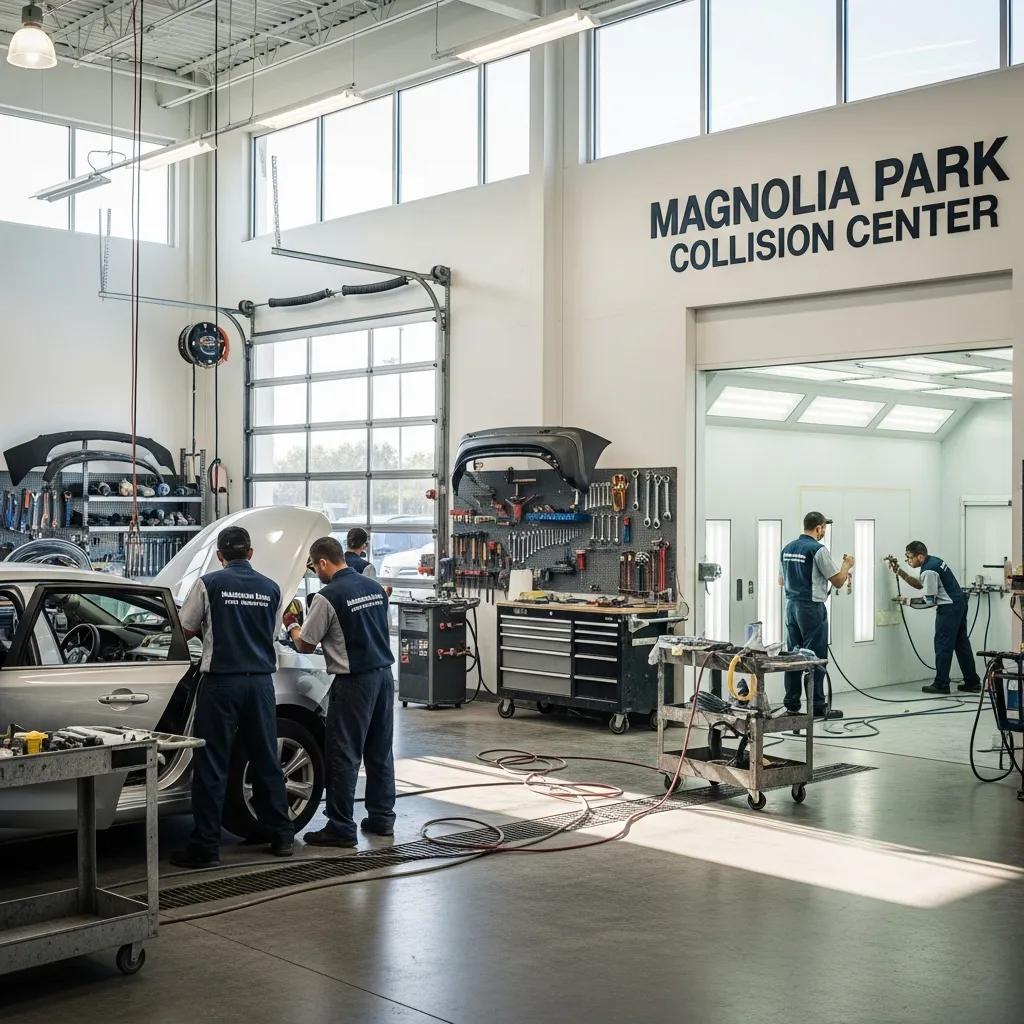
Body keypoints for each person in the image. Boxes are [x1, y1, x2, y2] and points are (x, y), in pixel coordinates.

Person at [171, 526, 294, 868]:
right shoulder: (271, 588)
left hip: (221, 683)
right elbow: (271, 634)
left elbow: (186, 628)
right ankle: (282, 836)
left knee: (212, 764)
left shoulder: (208, 584)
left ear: (220, 556)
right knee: (267, 759)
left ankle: (206, 847)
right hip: (260, 684)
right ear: (251, 553)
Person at [285, 536, 396, 847]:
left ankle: (340, 826)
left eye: (314, 567)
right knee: (379, 751)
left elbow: (305, 643)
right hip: (384, 677)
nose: (315, 573)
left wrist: (292, 623)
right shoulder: (374, 587)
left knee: (343, 753)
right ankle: (382, 819)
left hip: (354, 683)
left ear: (323, 562)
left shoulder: (327, 596)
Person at [779, 512, 853, 720]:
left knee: (793, 657)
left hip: (791, 607)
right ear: (819, 528)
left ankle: (792, 705)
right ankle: (818, 705)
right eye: (823, 529)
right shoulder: (818, 550)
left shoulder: (787, 549)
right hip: (811, 608)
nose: (823, 533)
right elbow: (838, 581)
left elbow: (781, 581)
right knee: (816, 658)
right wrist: (847, 565)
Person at [889, 542, 982, 695]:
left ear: (920, 556)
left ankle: (941, 684)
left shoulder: (929, 570)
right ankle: (972, 682)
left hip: (949, 608)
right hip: (959, 603)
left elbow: (928, 601)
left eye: (909, 558)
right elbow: (921, 585)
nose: (909, 561)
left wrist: (905, 601)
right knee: (961, 643)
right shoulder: (934, 561)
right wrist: (899, 571)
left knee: (943, 645)